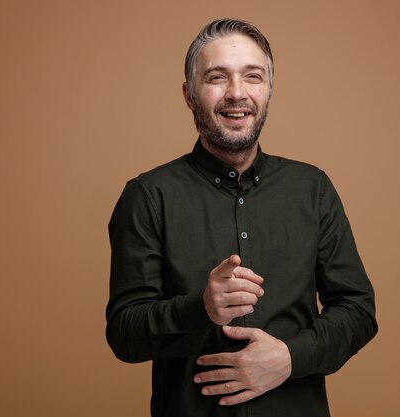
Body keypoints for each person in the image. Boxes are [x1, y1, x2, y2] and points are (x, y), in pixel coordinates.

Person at [106, 18, 377, 417]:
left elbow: (357, 309)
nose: (237, 93)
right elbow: (124, 335)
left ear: (268, 90)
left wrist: (291, 358)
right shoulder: (148, 196)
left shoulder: (312, 188)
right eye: (217, 77)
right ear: (189, 94)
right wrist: (200, 308)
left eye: (253, 76)